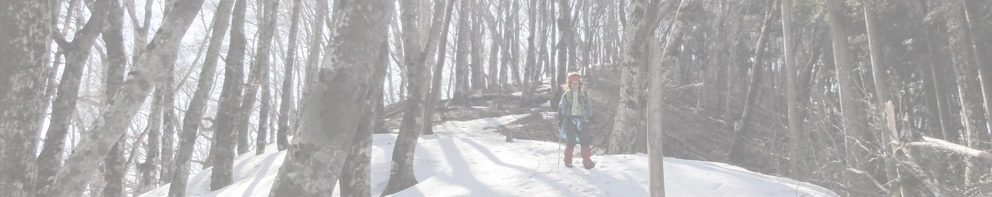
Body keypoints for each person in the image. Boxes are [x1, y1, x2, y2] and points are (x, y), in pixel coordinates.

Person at [557, 72, 595, 169]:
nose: (575, 85)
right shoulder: (566, 95)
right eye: (573, 83)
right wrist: (560, 119)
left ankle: (587, 162)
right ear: (569, 84)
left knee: (585, 141)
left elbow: (589, 107)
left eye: (577, 83)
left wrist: (591, 118)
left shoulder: (584, 95)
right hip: (569, 120)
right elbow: (561, 107)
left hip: (583, 120)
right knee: (571, 140)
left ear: (580, 84)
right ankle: (568, 160)